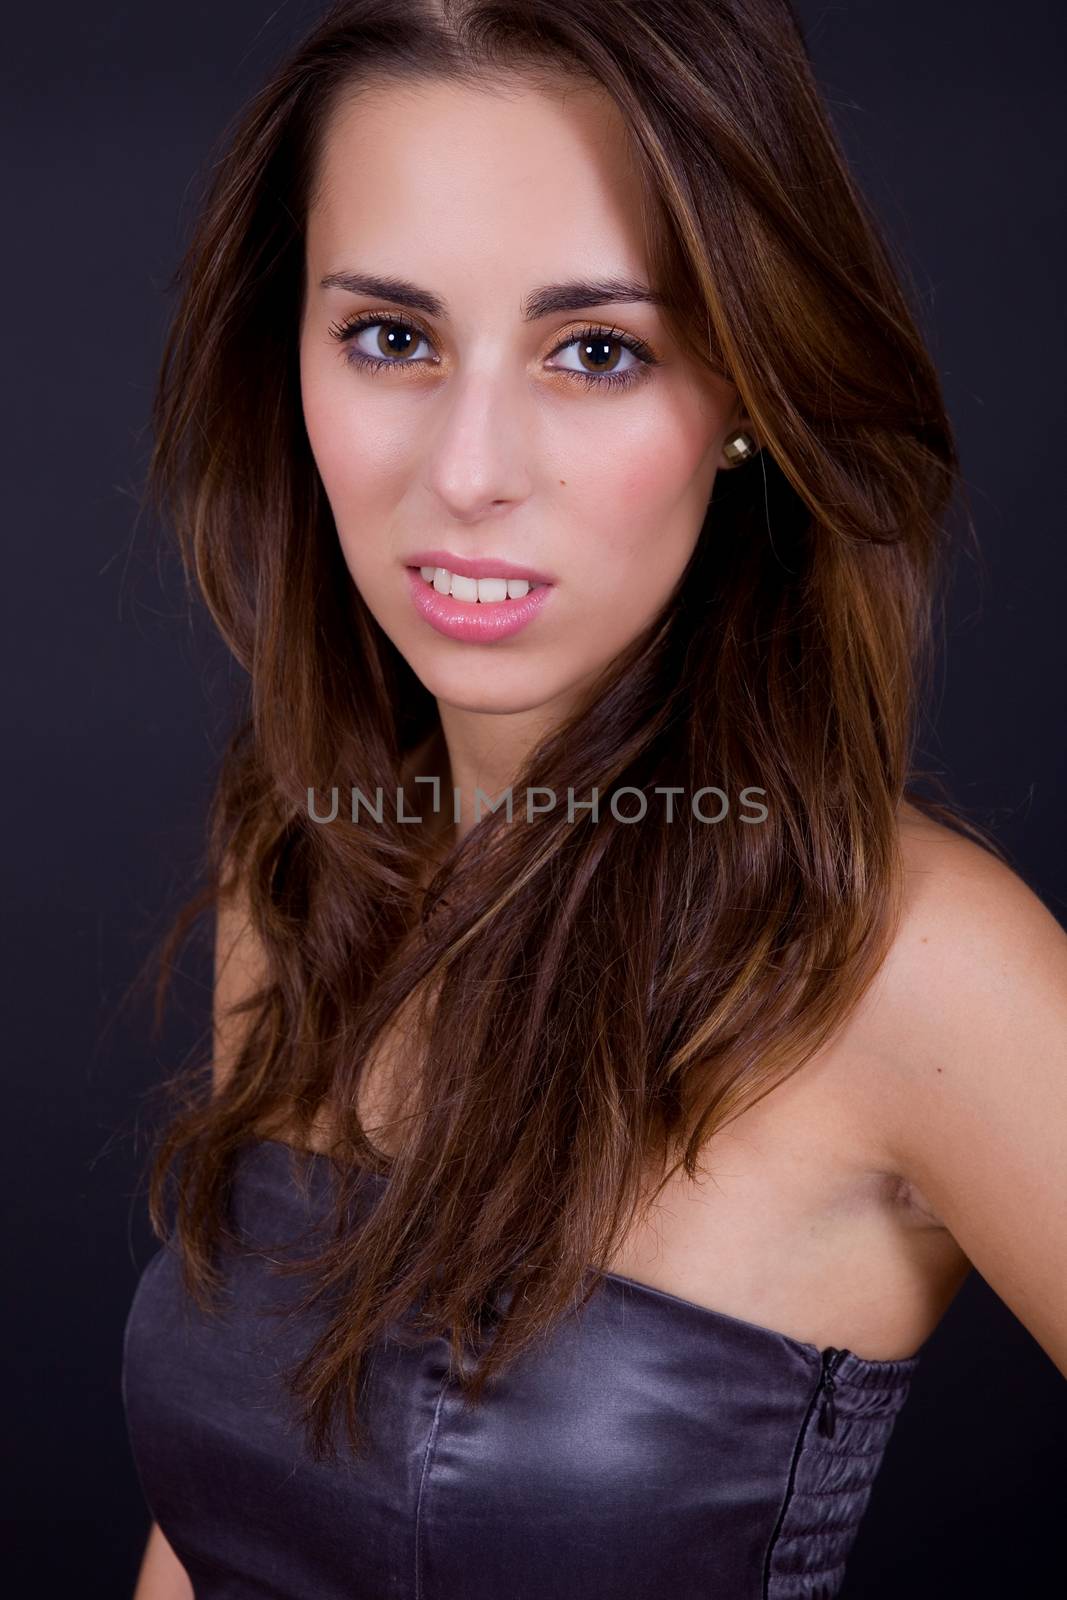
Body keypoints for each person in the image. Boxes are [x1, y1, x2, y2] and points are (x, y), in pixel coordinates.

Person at [121, 2, 1067, 1596]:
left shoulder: (908, 965)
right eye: (392, 338)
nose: (472, 467)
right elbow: (222, 1539)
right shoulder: (304, 851)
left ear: (751, 389)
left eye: (598, 352)